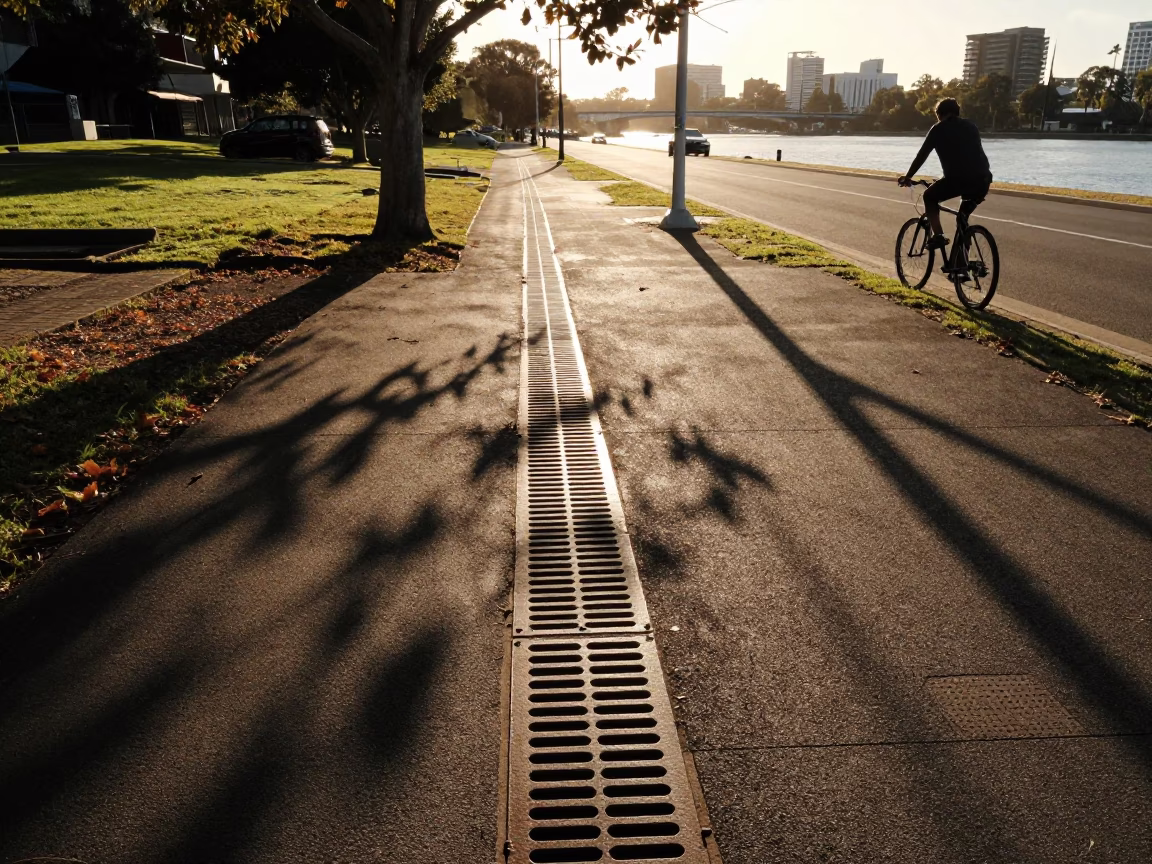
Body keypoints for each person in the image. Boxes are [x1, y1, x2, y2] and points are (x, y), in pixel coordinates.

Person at [897, 98, 992, 256]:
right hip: (982, 180)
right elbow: (968, 156)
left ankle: (939, 236)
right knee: (962, 219)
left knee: (929, 197)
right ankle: (961, 264)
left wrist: (908, 176)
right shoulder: (971, 126)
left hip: (958, 180)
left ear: (940, 114)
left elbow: (922, 155)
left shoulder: (938, 129)